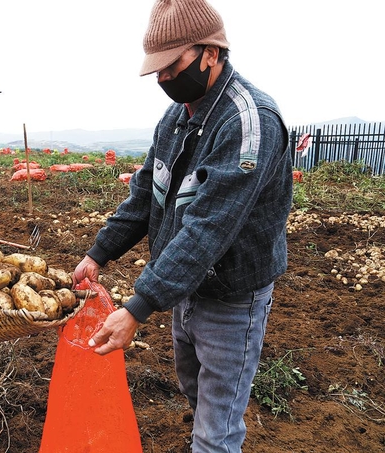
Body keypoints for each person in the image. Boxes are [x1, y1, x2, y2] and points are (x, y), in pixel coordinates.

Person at [71, 1, 293, 452]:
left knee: (217, 428)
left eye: (173, 66)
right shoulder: (177, 118)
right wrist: (99, 252)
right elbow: (143, 196)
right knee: (198, 399)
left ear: (211, 53)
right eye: (157, 69)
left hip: (232, 298)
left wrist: (137, 306)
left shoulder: (249, 124)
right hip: (186, 289)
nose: (163, 79)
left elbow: (207, 229)